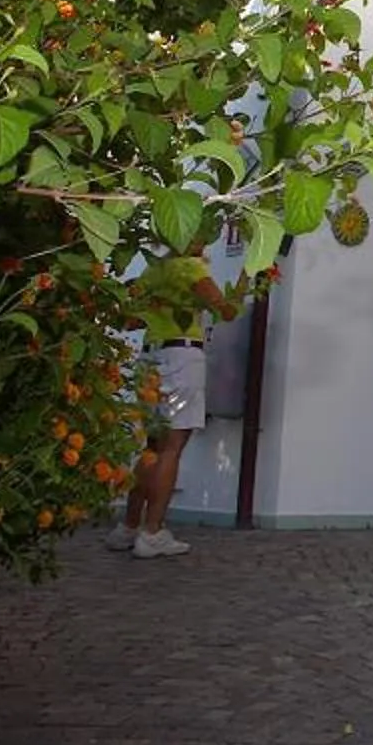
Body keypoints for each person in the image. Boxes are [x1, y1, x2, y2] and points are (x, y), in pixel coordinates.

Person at [107, 240, 231, 559]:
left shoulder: (153, 269)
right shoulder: (190, 267)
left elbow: (130, 321)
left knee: (152, 446)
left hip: (151, 356)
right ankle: (153, 532)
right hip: (182, 355)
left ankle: (129, 526)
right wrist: (244, 284)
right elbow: (224, 308)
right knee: (172, 448)